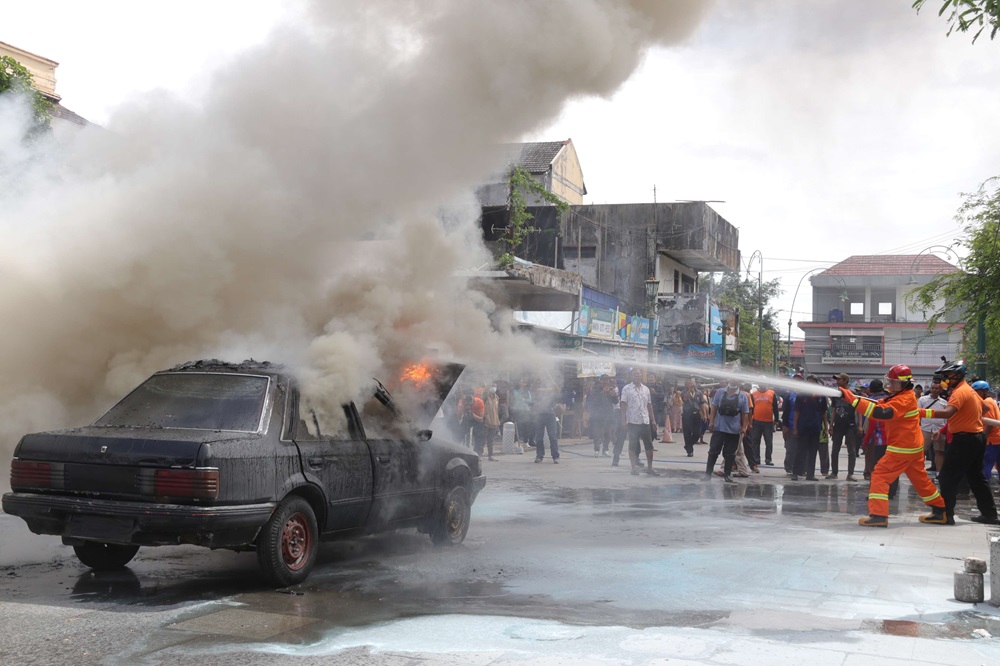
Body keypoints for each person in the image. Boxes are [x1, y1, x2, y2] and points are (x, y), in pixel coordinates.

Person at [837, 364, 947, 527]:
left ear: (904, 383)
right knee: (920, 480)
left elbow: (881, 413)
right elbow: (884, 405)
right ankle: (939, 511)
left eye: (894, 382)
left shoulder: (903, 399)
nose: (890, 384)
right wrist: (857, 398)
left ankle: (879, 516)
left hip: (903, 447)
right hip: (913, 446)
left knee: (880, 475)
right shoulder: (904, 395)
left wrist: (853, 400)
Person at [922, 359, 999, 524]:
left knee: (947, 477)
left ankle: (944, 515)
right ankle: (989, 514)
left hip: (964, 440)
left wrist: (922, 412)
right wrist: (969, 416)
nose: (944, 380)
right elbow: (984, 409)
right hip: (976, 438)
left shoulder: (959, 392)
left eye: (947, 376)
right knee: (977, 478)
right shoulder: (969, 390)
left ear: (957, 375)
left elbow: (948, 413)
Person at [705, 380, 750, 483]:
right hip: (719, 428)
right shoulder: (720, 392)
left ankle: (727, 474)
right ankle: (708, 474)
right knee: (713, 452)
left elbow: (745, 413)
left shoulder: (742, 396)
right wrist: (711, 422)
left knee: (730, 454)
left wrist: (744, 427)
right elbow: (714, 407)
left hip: (734, 430)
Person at [620, 368, 660, 476]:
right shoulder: (626, 389)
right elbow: (623, 406)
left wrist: (653, 420)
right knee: (632, 445)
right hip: (632, 421)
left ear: (642, 376)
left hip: (645, 421)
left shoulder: (646, 389)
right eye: (634, 374)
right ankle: (633, 468)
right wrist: (623, 421)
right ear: (631, 376)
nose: (637, 376)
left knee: (649, 445)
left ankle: (650, 468)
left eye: (638, 374)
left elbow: (649, 405)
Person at [791, 376, 828, 481]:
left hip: (816, 428)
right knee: (800, 451)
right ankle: (796, 473)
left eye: (812, 382)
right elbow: (797, 412)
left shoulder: (821, 396)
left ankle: (810, 474)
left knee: (813, 452)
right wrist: (795, 427)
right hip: (803, 427)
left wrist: (825, 427)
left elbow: (824, 413)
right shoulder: (801, 396)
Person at [828, 373, 859, 480]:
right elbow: (833, 410)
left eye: (839, 380)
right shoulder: (836, 395)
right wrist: (831, 424)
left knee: (852, 450)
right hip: (838, 425)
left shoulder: (853, 394)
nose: (837, 382)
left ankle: (850, 474)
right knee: (835, 450)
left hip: (850, 425)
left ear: (845, 381)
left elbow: (859, 409)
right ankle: (834, 473)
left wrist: (859, 425)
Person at [917, 376, 948, 474]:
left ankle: (940, 473)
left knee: (939, 452)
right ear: (930, 389)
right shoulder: (922, 400)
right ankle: (919, 472)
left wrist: (944, 430)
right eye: (933, 388)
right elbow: (917, 415)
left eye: (937, 388)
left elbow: (947, 417)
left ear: (940, 390)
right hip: (925, 429)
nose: (934, 390)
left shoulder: (944, 402)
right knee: (922, 452)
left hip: (939, 430)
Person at [973, 381, 1000, 482]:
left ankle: (985, 487)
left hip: (992, 440)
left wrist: (982, 437)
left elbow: (989, 423)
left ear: (985, 391)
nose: (975, 394)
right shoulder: (991, 400)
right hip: (997, 439)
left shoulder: (987, 402)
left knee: (986, 465)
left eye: (977, 392)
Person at [750, 380, 779, 467]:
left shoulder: (772, 393)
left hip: (768, 422)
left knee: (769, 441)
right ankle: (756, 458)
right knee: (755, 441)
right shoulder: (754, 394)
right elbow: (751, 408)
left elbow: (775, 407)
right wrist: (749, 421)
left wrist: (776, 420)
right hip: (756, 421)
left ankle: (768, 459)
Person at [533, 378, 560, 464]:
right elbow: (532, 389)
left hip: (550, 414)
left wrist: (549, 376)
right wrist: (536, 380)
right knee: (539, 437)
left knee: (553, 436)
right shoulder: (537, 389)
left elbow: (557, 389)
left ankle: (555, 456)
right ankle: (539, 456)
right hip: (539, 414)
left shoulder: (551, 392)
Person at [588, 375, 616, 457]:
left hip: (608, 414)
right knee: (597, 433)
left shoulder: (611, 389)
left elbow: (615, 402)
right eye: (603, 380)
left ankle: (606, 449)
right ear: (600, 381)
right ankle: (596, 450)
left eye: (606, 380)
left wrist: (613, 395)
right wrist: (603, 393)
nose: (605, 382)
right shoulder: (595, 390)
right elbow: (594, 402)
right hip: (597, 415)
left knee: (608, 433)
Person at [681, 377, 707, 457]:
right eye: (690, 382)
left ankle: (688, 445)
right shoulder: (683, 391)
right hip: (687, 415)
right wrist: (689, 389)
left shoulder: (699, 392)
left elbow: (702, 403)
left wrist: (704, 414)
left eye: (693, 382)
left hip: (696, 414)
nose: (692, 383)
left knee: (697, 433)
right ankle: (690, 451)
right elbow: (685, 398)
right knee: (687, 433)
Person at [510, 378, 533, 446]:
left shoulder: (527, 391)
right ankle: (516, 441)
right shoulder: (515, 390)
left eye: (524, 382)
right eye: (521, 382)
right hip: (517, 410)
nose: (523, 384)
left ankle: (526, 441)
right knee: (518, 426)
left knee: (526, 426)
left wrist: (524, 400)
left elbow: (530, 400)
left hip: (526, 410)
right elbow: (517, 398)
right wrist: (521, 389)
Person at [481, 383, 500, 461]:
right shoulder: (485, 397)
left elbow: (496, 410)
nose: (494, 388)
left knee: (491, 439)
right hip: (486, 421)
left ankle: (490, 455)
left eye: (495, 386)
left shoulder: (497, 398)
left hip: (494, 421)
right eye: (492, 386)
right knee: (483, 438)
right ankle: (479, 454)